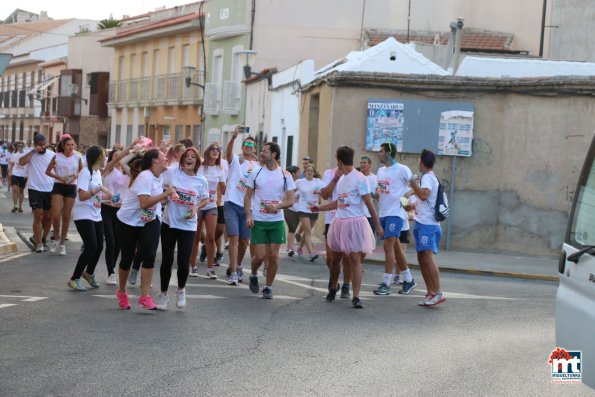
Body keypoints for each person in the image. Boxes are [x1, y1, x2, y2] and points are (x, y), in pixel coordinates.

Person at [312, 146, 383, 309]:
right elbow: (339, 202)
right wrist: (320, 208)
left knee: (354, 259)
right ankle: (333, 286)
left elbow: (369, 203)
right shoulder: (342, 179)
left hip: (355, 223)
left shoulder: (360, 178)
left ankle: (356, 296)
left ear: (339, 160)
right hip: (339, 222)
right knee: (335, 259)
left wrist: (378, 225)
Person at [115, 149, 175, 310]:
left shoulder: (159, 177)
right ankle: (121, 292)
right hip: (128, 221)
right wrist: (166, 194)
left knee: (149, 255)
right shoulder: (145, 177)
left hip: (149, 220)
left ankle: (144, 296)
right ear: (155, 161)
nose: (166, 158)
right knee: (127, 258)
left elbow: (153, 202)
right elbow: (144, 203)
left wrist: (168, 197)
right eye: (163, 156)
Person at [157, 147, 209, 310]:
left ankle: (181, 290)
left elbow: (206, 199)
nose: (190, 159)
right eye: (187, 156)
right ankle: (163, 295)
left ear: (197, 162)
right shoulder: (173, 173)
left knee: (183, 261)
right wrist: (166, 194)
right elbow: (158, 178)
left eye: (193, 157)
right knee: (167, 260)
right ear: (182, 160)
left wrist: (196, 208)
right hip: (169, 223)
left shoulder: (201, 180)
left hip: (188, 225)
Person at [244, 141, 296, 299]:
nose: (261, 153)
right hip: (259, 220)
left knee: (273, 256)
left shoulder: (285, 175)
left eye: (265, 151)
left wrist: (278, 206)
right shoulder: (256, 173)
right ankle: (253, 274)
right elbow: (247, 196)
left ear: (274, 154)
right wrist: (248, 215)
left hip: (276, 221)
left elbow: (291, 200)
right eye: (261, 151)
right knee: (259, 256)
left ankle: (268, 286)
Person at [372, 142, 416, 296]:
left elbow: (414, 187)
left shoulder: (402, 169)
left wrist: (406, 200)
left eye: (381, 151)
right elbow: (381, 193)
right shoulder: (380, 171)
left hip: (396, 213)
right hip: (383, 213)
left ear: (388, 153)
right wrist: (369, 193)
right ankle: (409, 280)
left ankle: (386, 283)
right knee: (396, 249)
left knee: (387, 247)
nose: (378, 154)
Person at [68, 146, 112, 291]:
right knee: (91, 246)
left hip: (96, 213)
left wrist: (109, 199)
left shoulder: (98, 172)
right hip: (83, 214)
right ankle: (74, 278)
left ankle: (89, 273)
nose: (105, 158)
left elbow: (97, 196)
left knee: (99, 246)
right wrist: (97, 190)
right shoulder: (85, 172)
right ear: (97, 157)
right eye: (103, 155)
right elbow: (82, 196)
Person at [408, 149, 445, 306]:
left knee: (427, 258)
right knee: (421, 258)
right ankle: (430, 292)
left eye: (418, 159)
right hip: (422, 222)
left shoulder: (428, 178)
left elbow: (424, 195)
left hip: (428, 226)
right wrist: (409, 205)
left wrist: (412, 183)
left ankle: (437, 292)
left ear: (421, 162)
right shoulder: (425, 178)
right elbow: (421, 199)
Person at [223, 126, 258, 285]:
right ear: (242, 147)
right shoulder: (236, 159)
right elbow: (228, 154)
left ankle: (237, 266)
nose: (248, 147)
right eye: (246, 145)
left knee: (244, 241)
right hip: (231, 203)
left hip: (247, 207)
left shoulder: (258, 167)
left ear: (255, 149)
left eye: (251, 145)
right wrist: (233, 138)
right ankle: (233, 271)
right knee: (234, 237)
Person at [190, 142, 226, 279]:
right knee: (196, 237)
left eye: (218, 149)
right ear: (208, 151)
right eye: (213, 148)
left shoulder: (219, 169)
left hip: (211, 206)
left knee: (211, 237)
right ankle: (193, 266)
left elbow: (223, 189)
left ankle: (210, 268)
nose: (216, 151)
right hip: (198, 205)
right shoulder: (200, 167)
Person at [45, 135, 83, 255]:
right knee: (55, 214)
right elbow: (47, 171)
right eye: (68, 145)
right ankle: (55, 238)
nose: (71, 147)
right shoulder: (57, 156)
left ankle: (62, 244)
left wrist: (76, 176)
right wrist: (59, 177)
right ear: (63, 145)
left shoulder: (78, 156)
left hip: (71, 186)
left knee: (66, 216)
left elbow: (82, 172)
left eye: (72, 145)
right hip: (59, 185)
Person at [101, 145, 132, 285]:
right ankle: (110, 272)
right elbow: (118, 159)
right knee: (110, 241)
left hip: (121, 211)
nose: (119, 158)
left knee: (118, 243)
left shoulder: (126, 172)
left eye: (121, 156)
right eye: (115, 156)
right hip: (106, 208)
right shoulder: (108, 170)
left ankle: (112, 267)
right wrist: (131, 146)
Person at [19, 134, 55, 252]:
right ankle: (39, 244)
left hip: (49, 189)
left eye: (44, 144)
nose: (42, 147)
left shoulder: (52, 155)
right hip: (34, 188)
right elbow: (21, 162)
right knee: (38, 215)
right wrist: (33, 151)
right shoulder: (31, 154)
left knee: (48, 216)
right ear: (35, 144)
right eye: (40, 144)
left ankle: (38, 237)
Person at [295, 163, 322, 262]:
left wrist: (319, 192)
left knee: (307, 231)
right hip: (303, 209)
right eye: (308, 171)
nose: (309, 172)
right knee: (308, 231)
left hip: (314, 209)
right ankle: (311, 253)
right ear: (305, 172)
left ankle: (299, 248)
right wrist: (290, 201)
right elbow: (291, 191)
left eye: (311, 171)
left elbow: (322, 192)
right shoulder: (299, 182)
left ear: (314, 173)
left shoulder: (318, 181)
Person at [283, 166, 301, 257]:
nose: (300, 174)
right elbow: (285, 196)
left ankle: (289, 247)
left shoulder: (300, 182)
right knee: (292, 227)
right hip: (288, 208)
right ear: (293, 174)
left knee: (293, 228)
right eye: (298, 172)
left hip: (297, 209)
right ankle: (290, 247)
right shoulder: (288, 182)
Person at [359, 155, 378, 234]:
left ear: (370, 165)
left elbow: (378, 196)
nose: (362, 164)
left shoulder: (375, 178)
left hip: (369, 214)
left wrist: (370, 194)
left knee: (368, 241)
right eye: (361, 163)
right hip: (358, 215)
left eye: (364, 162)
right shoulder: (357, 176)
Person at [8, 141, 28, 213]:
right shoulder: (14, 155)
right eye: (18, 146)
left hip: (23, 175)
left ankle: (20, 207)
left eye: (21, 146)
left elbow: (29, 164)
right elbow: (12, 164)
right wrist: (10, 172)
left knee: (21, 191)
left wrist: (27, 174)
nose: (20, 147)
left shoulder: (26, 154)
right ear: (16, 147)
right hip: (15, 174)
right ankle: (15, 206)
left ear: (23, 146)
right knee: (14, 189)